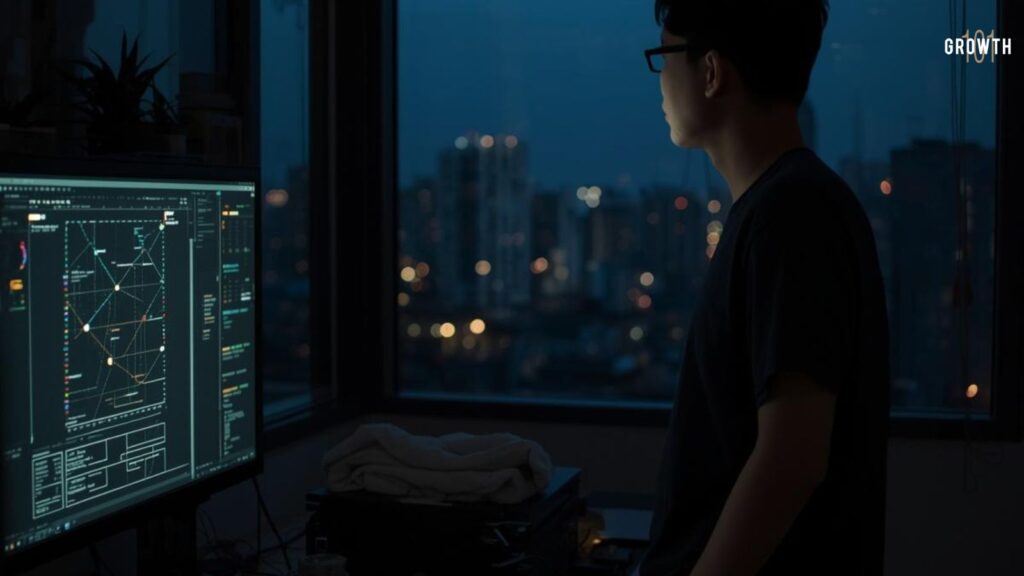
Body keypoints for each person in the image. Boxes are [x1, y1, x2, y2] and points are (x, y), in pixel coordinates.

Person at [637, 1, 891, 575]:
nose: (659, 81)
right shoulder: (780, 207)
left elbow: (791, 457)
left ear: (710, 70)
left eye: (664, 56)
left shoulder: (792, 213)